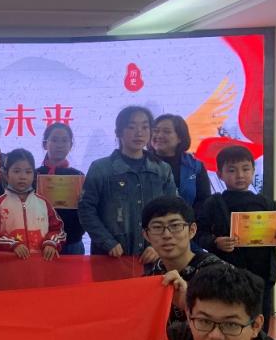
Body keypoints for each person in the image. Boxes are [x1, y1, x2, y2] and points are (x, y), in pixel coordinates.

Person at [195, 144, 276, 334]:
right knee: (229, 318)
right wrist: (215, 242)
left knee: (259, 322)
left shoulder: (267, 203)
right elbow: (198, 233)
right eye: (232, 170)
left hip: (261, 275)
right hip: (226, 274)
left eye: (246, 169)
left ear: (253, 171)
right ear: (220, 174)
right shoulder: (214, 203)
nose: (240, 175)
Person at [78, 105, 176, 262]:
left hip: (152, 258)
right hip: (110, 257)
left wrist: (158, 245)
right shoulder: (101, 168)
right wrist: (107, 241)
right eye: (131, 127)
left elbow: (173, 211)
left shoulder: (162, 170)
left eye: (145, 127)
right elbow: (86, 209)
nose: (139, 133)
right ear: (118, 132)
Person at [141, 195, 222, 325]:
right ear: (146, 235)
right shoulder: (152, 277)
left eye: (175, 226)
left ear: (192, 230)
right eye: (157, 227)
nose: (167, 235)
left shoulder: (218, 273)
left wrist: (189, 303)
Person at [0, 148, 64, 260]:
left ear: (34, 175)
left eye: (28, 172)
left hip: (40, 264)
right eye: (16, 171)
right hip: (9, 265)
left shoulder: (44, 203)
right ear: (6, 174)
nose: (22, 176)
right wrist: (12, 244)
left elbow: (58, 230)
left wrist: (51, 242)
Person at [36, 122, 86, 255]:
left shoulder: (78, 177)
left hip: (72, 242)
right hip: (40, 241)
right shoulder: (34, 175)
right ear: (45, 144)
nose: (60, 145)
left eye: (64, 140)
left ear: (71, 145)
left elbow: (86, 210)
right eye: (54, 140)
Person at [150, 113, 210, 211]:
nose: (159, 135)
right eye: (156, 131)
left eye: (167, 132)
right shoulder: (141, 162)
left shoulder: (195, 166)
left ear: (180, 138)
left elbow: (204, 201)